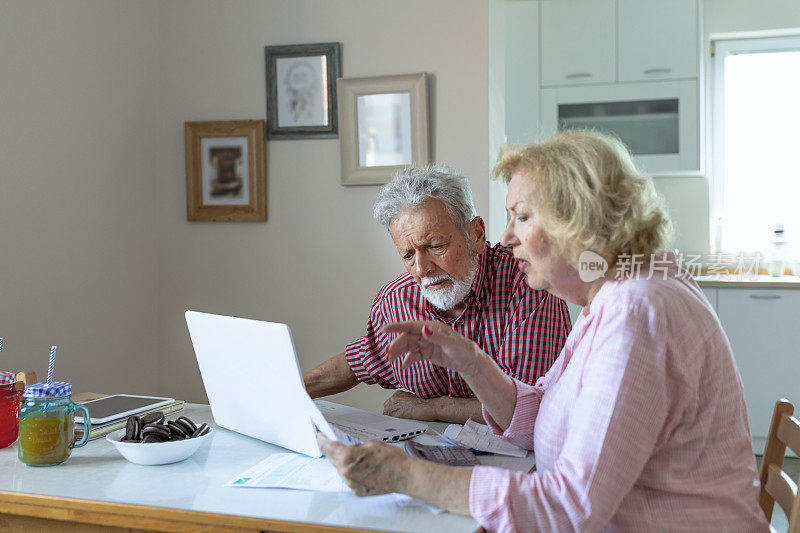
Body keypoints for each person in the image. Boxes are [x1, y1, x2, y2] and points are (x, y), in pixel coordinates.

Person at [317, 131, 768, 531]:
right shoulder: (615, 294)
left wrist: (407, 476)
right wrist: (469, 359)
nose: (507, 236)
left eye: (523, 216)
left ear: (580, 220)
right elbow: (542, 413)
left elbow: (568, 509)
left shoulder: (635, 312)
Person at [303, 164, 571, 424]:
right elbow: (360, 360)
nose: (421, 269)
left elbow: (526, 408)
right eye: (408, 255)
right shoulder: (396, 301)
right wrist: (289, 390)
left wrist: (434, 408)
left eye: (435, 246)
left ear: (476, 235)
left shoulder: (528, 282)